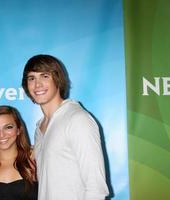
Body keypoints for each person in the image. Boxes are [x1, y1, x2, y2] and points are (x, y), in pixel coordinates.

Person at [22, 54, 109, 200]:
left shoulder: (77, 119)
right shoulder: (39, 126)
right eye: (31, 78)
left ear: (57, 79)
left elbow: (96, 188)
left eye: (44, 76)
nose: (37, 84)